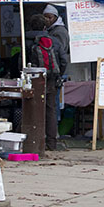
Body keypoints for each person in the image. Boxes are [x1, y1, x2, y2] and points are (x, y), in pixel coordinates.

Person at [26, 14, 68, 151]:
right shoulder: (54, 41)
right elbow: (63, 61)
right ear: (45, 26)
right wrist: (57, 75)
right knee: (50, 111)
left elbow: (21, 61)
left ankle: (33, 140)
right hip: (50, 80)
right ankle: (51, 143)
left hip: (32, 79)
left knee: (30, 109)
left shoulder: (26, 39)